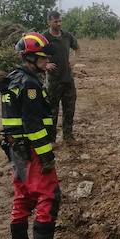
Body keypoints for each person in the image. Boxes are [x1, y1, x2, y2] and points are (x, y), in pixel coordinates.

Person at [0, 32, 71, 239]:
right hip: (32, 148)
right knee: (49, 193)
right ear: (30, 58)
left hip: (15, 148)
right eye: (43, 58)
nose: (46, 61)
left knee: (23, 192)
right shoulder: (30, 84)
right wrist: (46, 156)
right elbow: (34, 125)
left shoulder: (13, 79)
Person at [42, 11, 80, 142]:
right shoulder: (44, 38)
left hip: (68, 79)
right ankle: (51, 139)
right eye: (55, 21)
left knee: (69, 109)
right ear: (49, 22)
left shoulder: (66, 36)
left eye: (60, 21)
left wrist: (74, 59)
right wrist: (45, 65)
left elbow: (77, 48)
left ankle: (68, 136)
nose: (59, 24)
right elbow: (34, 55)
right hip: (53, 81)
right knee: (52, 111)